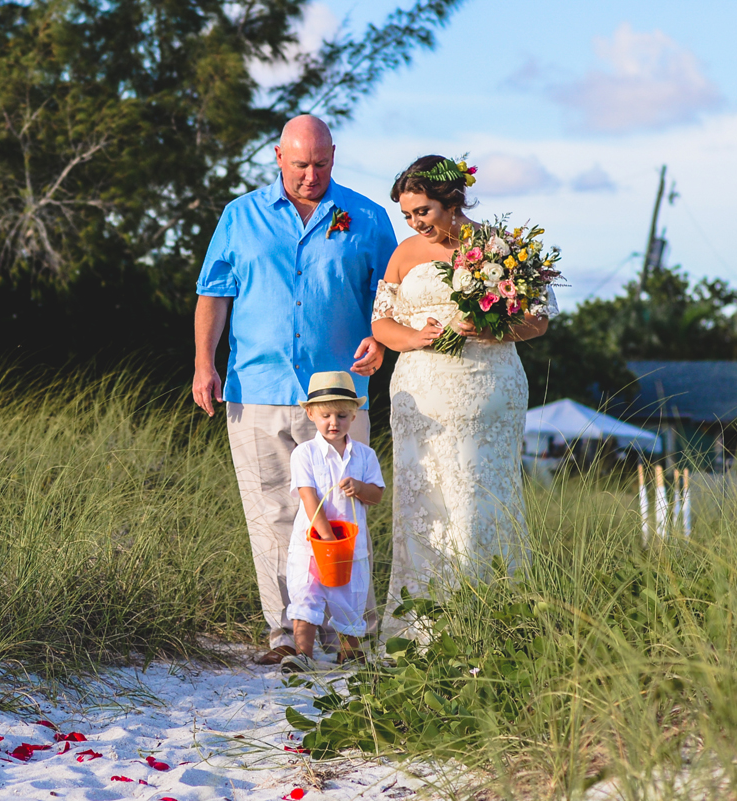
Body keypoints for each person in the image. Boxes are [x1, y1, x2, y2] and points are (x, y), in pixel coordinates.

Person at [192, 115, 398, 664]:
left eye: (322, 164)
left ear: (335, 156)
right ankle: (286, 634)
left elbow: (391, 299)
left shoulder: (369, 218)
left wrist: (381, 342)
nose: (311, 175)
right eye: (301, 164)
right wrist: (202, 364)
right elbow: (214, 294)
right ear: (278, 157)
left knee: (342, 514)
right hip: (256, 387)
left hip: (338, 397)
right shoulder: (240, 217)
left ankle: (346, 630)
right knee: (273, 515)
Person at [370, 155, 557, 639]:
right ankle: (420, 632)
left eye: (424, 211)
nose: (415, 223)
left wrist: (495, 327)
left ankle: (485, 625)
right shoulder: (404, 253)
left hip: (486, 391)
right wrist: (416, 337)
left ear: (453, 202)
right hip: (418, 396)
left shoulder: (501, 248)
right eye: (407, 214)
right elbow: (381, 323)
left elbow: (539, 319)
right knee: (423, 503)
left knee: (477, 503)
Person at [282, 372, 385, 674]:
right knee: (306, 593)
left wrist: (359, 488)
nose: (333, 422)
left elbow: (376, 495)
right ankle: (304, 653)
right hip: (313, 542)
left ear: (354, 415)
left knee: (350, 596)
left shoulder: (364, 456)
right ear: (310, 413)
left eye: (342, 415)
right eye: (325, 415)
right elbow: (308, 496)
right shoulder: (305, 453)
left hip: (351, 545)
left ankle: (349, 654)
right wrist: (327, 539)